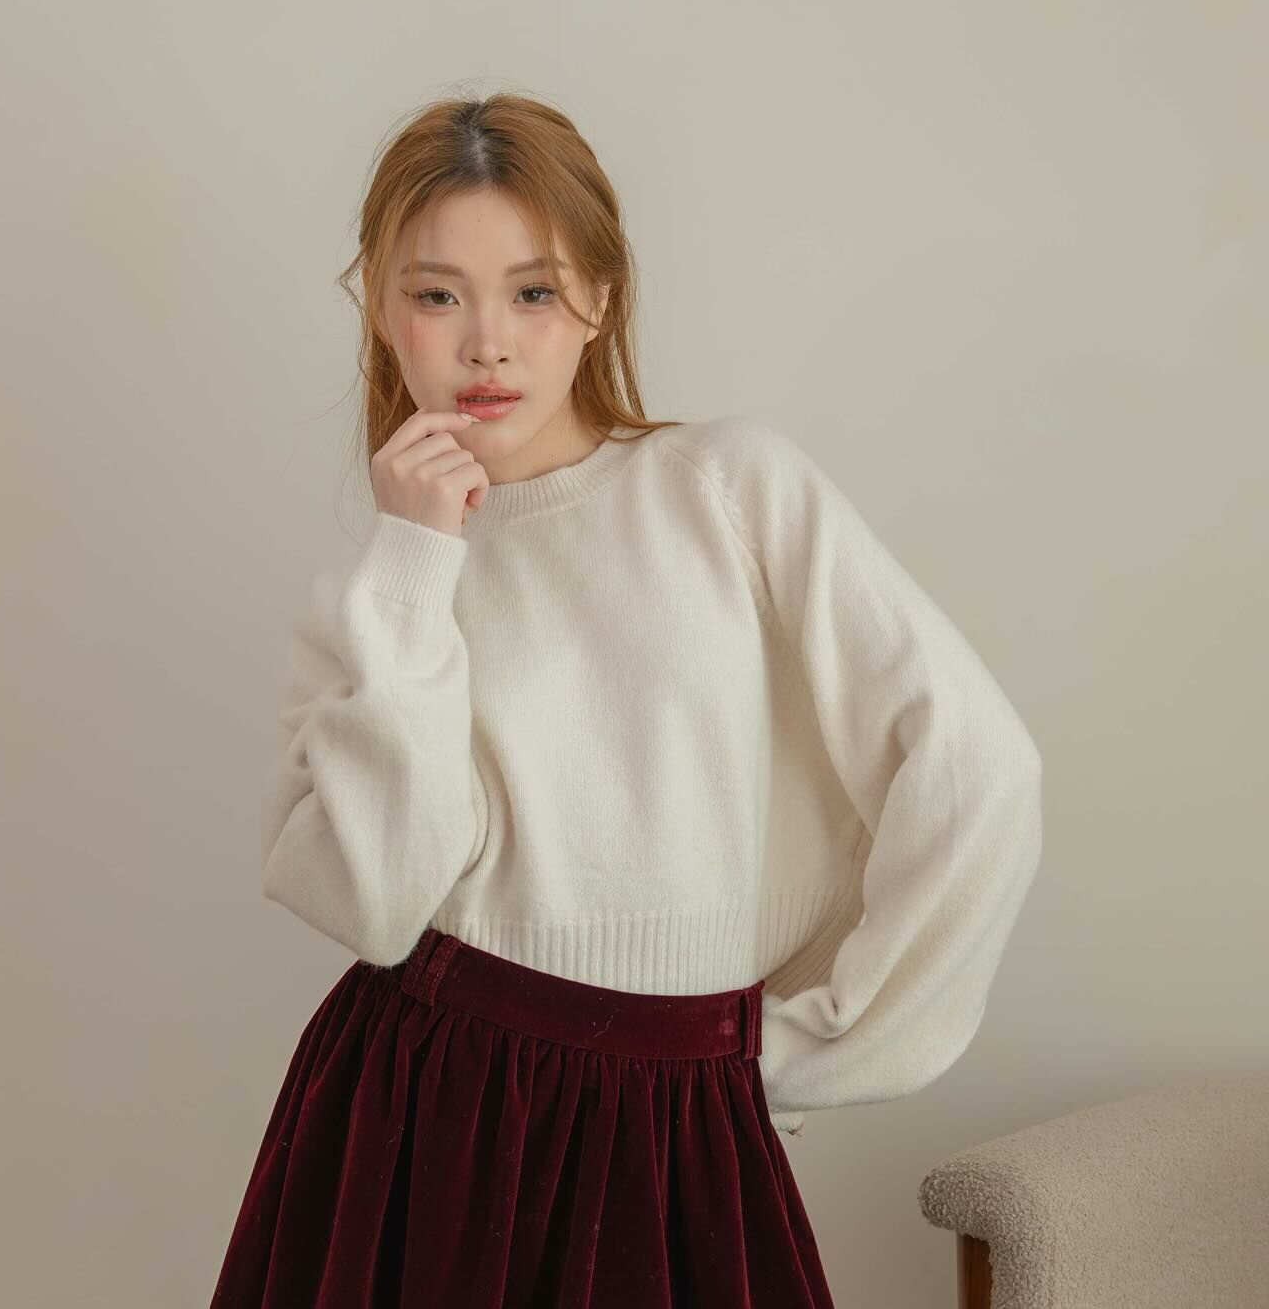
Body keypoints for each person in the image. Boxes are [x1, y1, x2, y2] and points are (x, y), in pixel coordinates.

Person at [209, 93, 1043, 1307]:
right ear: (382, 310)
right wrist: (415, 558)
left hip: (674, 1128)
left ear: (599, 297)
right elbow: (380, 908)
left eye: (533, 291)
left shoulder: (729, 488)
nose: (487, 343)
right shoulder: (384, 589)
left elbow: (976, 771)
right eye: (437, 294)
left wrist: (804, 1048)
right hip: (417, 1115)